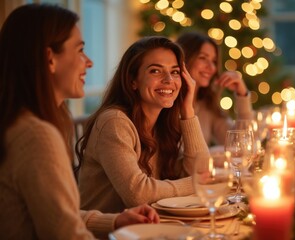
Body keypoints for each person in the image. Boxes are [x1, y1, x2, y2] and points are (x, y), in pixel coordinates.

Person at [0, 4, 159, 239]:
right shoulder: (36, 135)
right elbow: (66, 234)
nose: (89, 62)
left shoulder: (21, 122)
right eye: (80, 50)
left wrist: (114, 220)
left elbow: (53, 212)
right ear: (50, 58)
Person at [76, 36, 209, 213]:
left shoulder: (162, 125)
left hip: (143, 229)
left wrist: (187, 110)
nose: (169, 79)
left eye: (175, 72)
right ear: (133, 81)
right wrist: (195, 183)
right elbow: (137, 194)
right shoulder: (115, 122)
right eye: (155, 71)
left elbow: (201, 168)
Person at [176, 32, 254, 146]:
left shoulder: (206, 105)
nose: (212, 67)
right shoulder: (166, 104)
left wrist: (242, 94)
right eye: (203, 58)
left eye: (214, 61)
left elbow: (240, 143)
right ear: (185, 59)